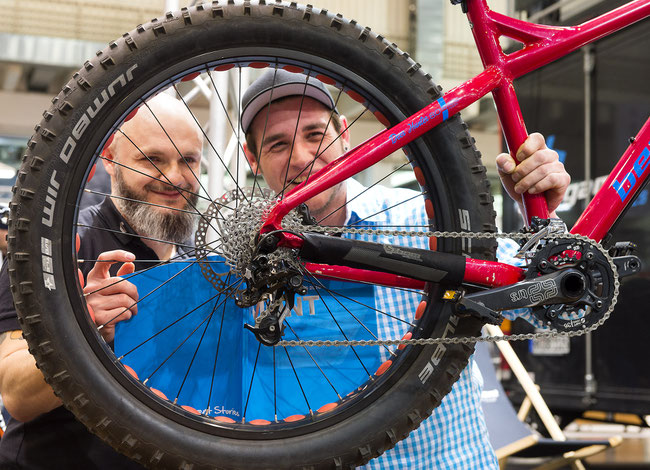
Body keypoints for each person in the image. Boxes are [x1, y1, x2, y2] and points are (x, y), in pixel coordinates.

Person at [240, 69, 570, 469]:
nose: (301, 157)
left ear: (344, 134)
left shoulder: (429, 222)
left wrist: (541, 217)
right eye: (278, 144)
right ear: (251, 159)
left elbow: (559, 307)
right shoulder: (238, 265)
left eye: (315, 135)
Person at [0, 93, 203, 469]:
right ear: (110, 158)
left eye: (187, 160)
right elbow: (15, 394)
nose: (174, 177)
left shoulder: (201, 266)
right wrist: (82, 329)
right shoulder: (58, 245)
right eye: (152, 159)